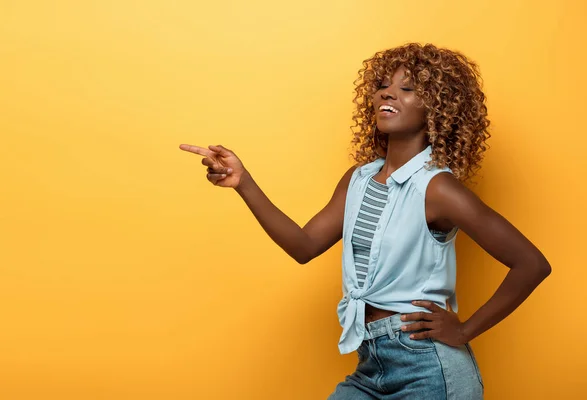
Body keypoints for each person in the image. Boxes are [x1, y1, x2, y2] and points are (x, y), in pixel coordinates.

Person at [179, 42, 551, 399]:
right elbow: (303, 246)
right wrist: (244, 183)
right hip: (371, 363)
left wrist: (465, 329)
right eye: (383, 86)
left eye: (407, 89)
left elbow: (531, 264)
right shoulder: (358, 179)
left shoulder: (438, 189)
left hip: (427, 368)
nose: (388, 94)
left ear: (436, 109)